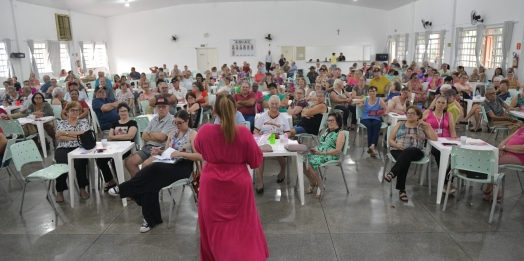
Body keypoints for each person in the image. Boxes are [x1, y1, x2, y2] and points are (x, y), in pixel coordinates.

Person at [195, 92, 268, 259]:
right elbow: (256, 161)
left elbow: (199, 149)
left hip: (211, 183)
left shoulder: (205, 131)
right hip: (238, 183)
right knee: (243, 225)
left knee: (214, 226)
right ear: (236, 111)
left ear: (214, 111)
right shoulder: (243, 134)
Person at [109, 110, 201, 232]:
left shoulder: (193, 134)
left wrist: (181, 154)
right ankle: (151, 220)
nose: (177, 126)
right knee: (149, 181)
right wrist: (160, 152)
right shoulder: (173, 133)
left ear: (187, 121)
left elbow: (200, 156)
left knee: (153, 168)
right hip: (169, 162)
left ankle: (125, 189)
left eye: (180, 123)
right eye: (175, 123)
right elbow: (167, 151)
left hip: (183, 167)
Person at [384, 106, 438, 202]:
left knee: (408, 151)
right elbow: (390, 140)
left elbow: (434, 139)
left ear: (418, 116)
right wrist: (396, 146)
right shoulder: (400, 124)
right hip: (397, 149)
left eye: (412, 113)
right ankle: (402, 190)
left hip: (416, 151)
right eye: (408, 113)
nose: (409, 115)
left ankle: (392, 173)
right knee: (405, 158)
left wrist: (428, 126)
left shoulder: (423, 126)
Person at [125, 97, 176, 177]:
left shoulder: (172, 120)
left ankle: (142, 184)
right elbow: (144, 135)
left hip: (161, 149)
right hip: (148, 147)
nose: (161, 109)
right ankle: (140, 185)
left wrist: (151, 133)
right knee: (129, 162)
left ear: (169, 107)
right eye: (159, 107)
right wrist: (156, 136)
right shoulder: (154, 119)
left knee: (145, 165)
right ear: (155, 108)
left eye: (164, 106)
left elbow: (162, 138)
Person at [54, 101, 91, 202]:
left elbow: (84, 135)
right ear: (67, 112)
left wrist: (65, 133)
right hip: (63, 148)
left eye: (77, 110)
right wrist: (76, 136)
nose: (75, 112)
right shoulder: (61, 123)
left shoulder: (83, 122)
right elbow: (60, 138)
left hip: (79, 148)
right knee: (62, 164)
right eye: (72, 110)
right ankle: (60, 190)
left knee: (80, 162)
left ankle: (82, 188)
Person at [96, 103, 137, 192]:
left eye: (125, 111)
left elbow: (130, 136)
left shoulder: (132, 123)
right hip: (113, 147)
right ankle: (111, 181)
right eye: (121, 111)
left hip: (127, 148)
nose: (123, 113)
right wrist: (120, 136)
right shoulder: (114, 123)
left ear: (128, 112)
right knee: (100, 159)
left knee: (115, 160)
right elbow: (109, 136)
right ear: (118, 113)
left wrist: (114, 137)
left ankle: (121, 184)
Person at [254, 95, 291, 193]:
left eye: (276, 104)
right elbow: (256, 131)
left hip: (278, 141)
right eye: (272, 104)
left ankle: (282, 171)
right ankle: (260, 182)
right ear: (269, 105)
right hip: (264, 141)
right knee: (259, 156)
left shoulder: (283, 118)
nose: (274, 106)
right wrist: (260, 137)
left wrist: (281, 136)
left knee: (280, 154)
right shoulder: (262, 116)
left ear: (279, 105)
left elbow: (288, 132)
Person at [304, 112, 346, 199]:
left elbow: (338, 150)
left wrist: (322, 153)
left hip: (331, 155)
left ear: (338, 121)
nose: (329, 122)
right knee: (302, 159)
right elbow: (322, 144)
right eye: (328, 120)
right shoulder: (327, 130)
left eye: (332, 121)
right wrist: (314, 149)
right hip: (320, 152)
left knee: (310, 162)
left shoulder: (340, 133)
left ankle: (320, 184)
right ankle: (311, 181)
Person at [423, 95, 457, 192]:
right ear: (435, 103)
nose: (440, 105)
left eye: (443, 103)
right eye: (438, 102)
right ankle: (447, 183)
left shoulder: (448, 115)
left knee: (456, 155)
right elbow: (420, 124)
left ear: (446, 105)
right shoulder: (427, 112)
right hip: (431, 141)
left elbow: (452, 131)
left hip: (446, 140)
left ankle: (445, 182)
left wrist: (454, 142)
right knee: (439, 153)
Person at [359, 86, 389, 157]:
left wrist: (385, 112)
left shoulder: (379, 100)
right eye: (370, 91)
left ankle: (372, 146)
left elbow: (386, 108)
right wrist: (361, 103)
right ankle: (371, 147)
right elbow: (355, 102)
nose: (372, 92)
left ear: (376, 92)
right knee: (370, 126)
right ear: (368, 92)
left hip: (376, 118)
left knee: (376, 126)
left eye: (374, 91)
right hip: (365, 118)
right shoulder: (366, 99)